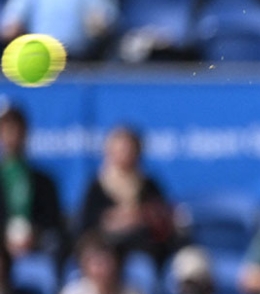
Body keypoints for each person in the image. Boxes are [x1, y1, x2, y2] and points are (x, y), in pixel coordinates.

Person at [77, 125, 176, 265]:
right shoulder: (96, 186)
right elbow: (86, 225)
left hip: (144, 250)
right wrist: (112, 221)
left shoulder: (149, 185)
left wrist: (140, 217)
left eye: (129, 149)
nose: (125, 154)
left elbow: (162, 221)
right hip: (106, 253)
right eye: (120, 150)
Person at [0, 101, 66, 262]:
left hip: (36, 250)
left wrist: (34, 235)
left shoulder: (43, 181)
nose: (12, 135)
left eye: (17, 129)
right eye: (6, 130)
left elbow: (53, 220)